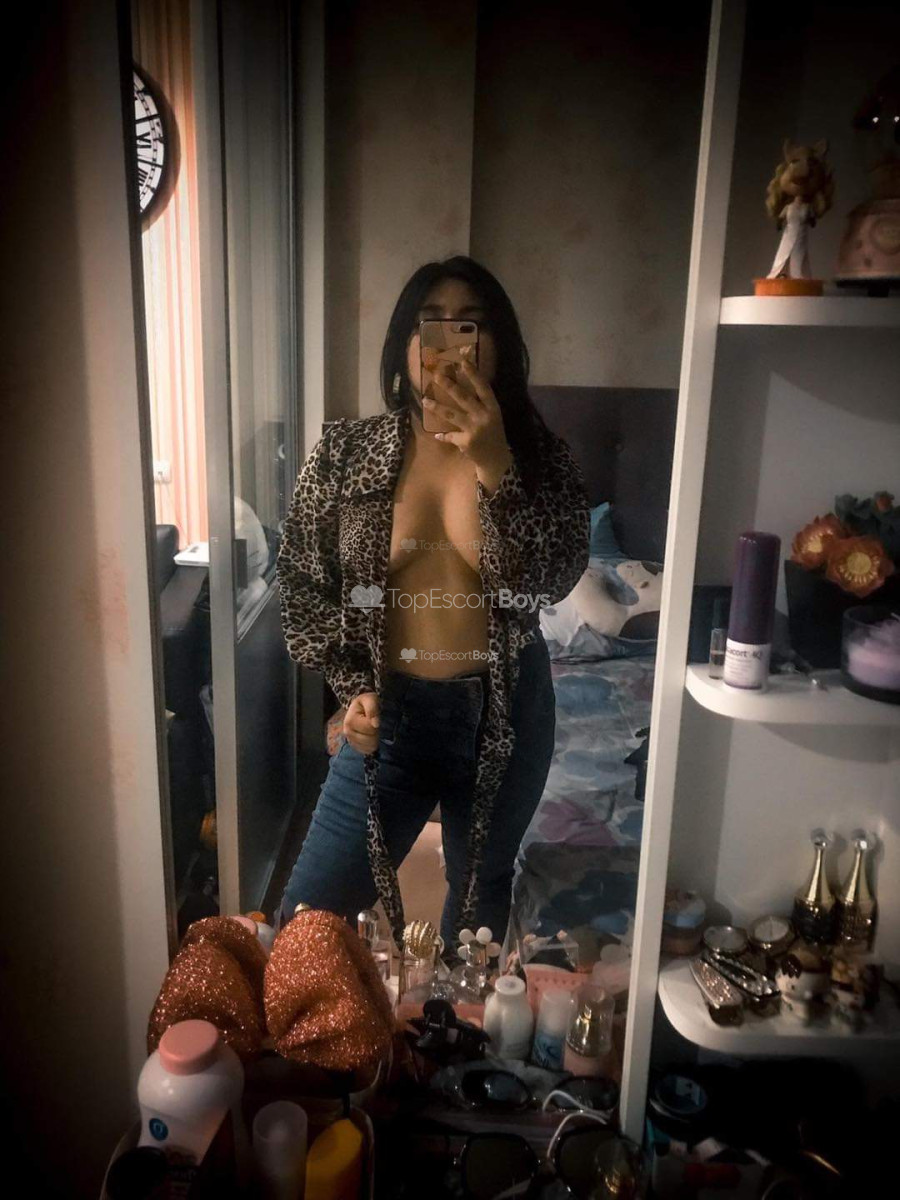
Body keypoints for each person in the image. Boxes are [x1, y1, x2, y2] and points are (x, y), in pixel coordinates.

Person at [276, 255, 590, 951]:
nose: (450, 341)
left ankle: (460, 1018)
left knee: (475, 914)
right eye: (432, 323)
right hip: (388, 715)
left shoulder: (541, 458)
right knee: (307, 924)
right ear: (403, 344)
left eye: (470, 324)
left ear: (499, 345)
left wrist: (496, 462)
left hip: (505, 713)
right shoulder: (344, 452)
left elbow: (551, 577)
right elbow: (301, 579)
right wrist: (352, 686)